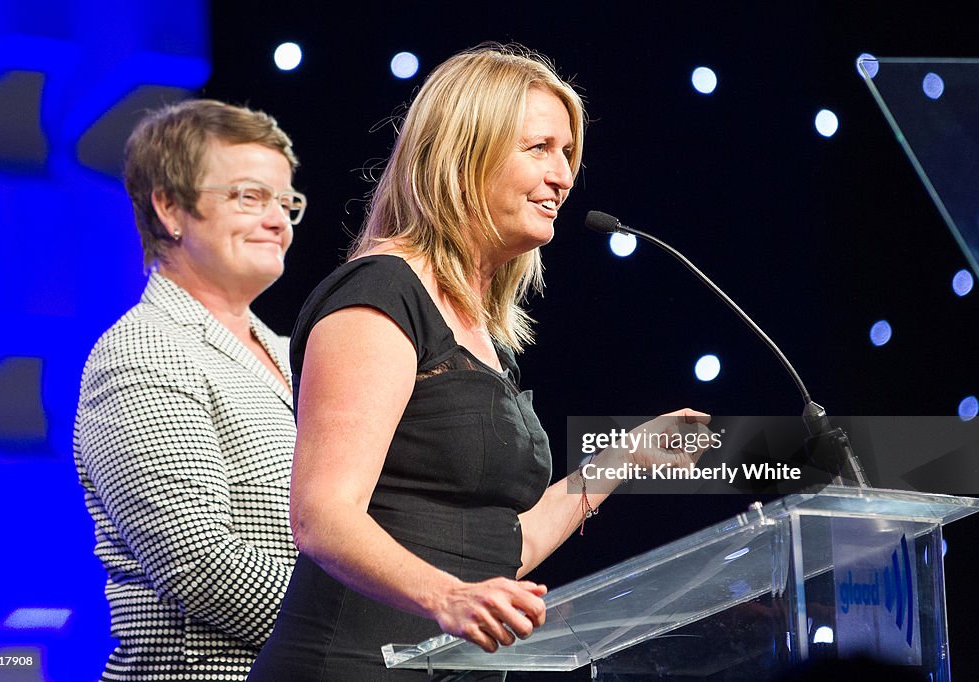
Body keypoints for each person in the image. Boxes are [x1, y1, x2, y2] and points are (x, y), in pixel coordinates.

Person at [249, 44, 706, 680]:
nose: (563, 176)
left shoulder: (481, 330)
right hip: (355, 663)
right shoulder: (381, 295)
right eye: (540, 148)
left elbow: (499, 548)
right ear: (467, 154)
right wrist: (447, 596)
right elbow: (322, 515)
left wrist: (628, 459)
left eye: (568, 154)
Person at [74, 99, 304, 681]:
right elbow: (202, 567)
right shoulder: (143, 350)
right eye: (250, 197)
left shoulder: (287, 351)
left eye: (285, 201)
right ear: (170, 207)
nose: (278, 220)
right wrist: (394, 610)